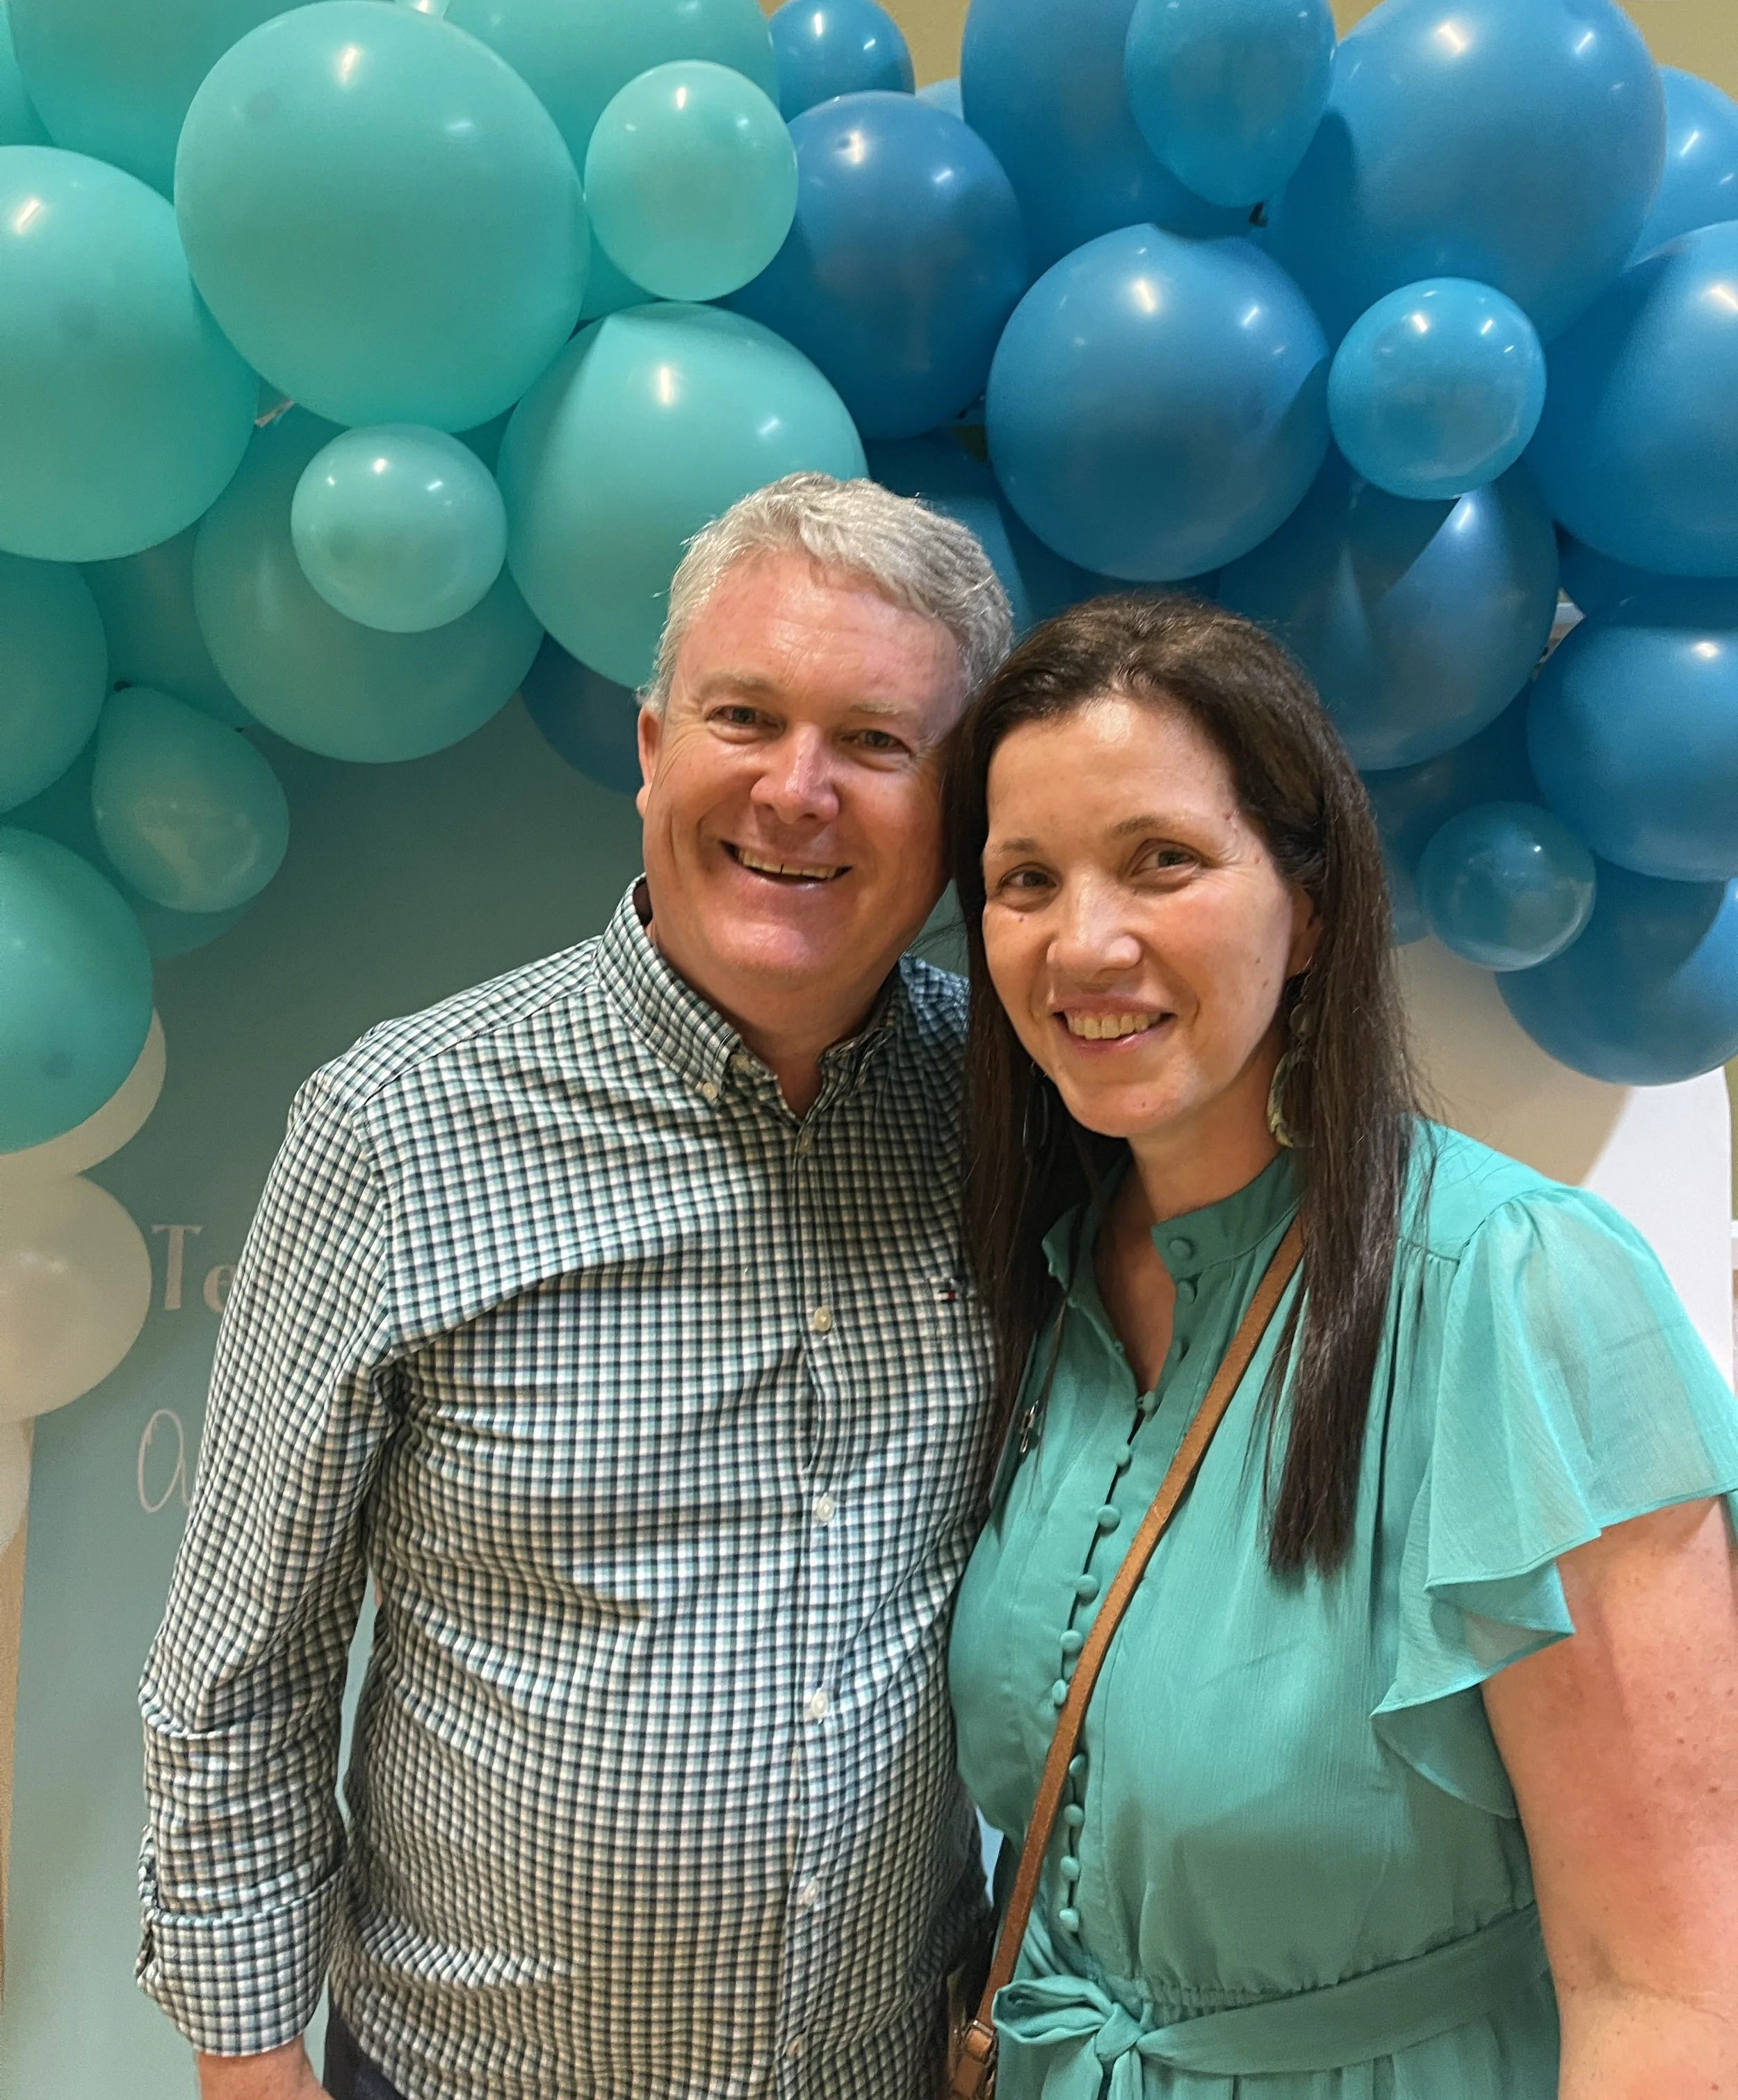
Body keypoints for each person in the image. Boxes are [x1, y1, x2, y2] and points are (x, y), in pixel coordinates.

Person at [138, 473, 1014, 2100]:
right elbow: (238, 1671)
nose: (796, 790)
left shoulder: (1019, 1121)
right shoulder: (398, 1126)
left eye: (877, 743)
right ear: (648, 750)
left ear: (954, 804)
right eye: (742, 714)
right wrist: (250, 2075)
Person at [944, 592, 1738, 2099]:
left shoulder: (1515, 1292)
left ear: (1306, 907)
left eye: (1160, 860)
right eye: (1022, 878)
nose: (1083, 940)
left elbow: (1669, 1992)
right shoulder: (1040, 1288)